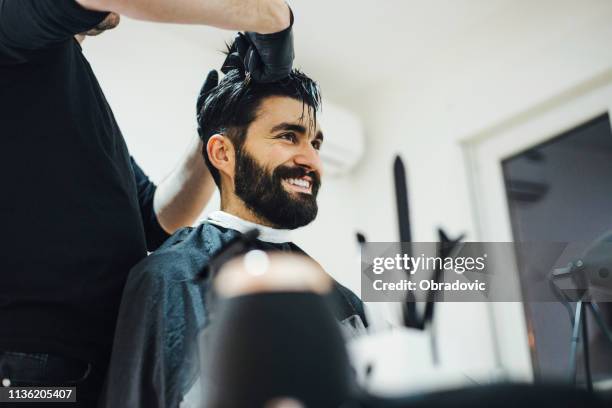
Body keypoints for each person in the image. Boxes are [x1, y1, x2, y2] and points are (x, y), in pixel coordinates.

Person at [0, 0, 294, 405]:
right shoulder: (12, 25)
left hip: (102, 364)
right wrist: (273, 18)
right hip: (35, 367)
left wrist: (211, 131)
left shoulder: (69, 86)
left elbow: (159, 219)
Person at [102, 55, 367, 407]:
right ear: (223, 153)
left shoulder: (344, 299)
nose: (311, 159)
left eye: (315, 144)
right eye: (289, 136)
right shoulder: (168, 280)